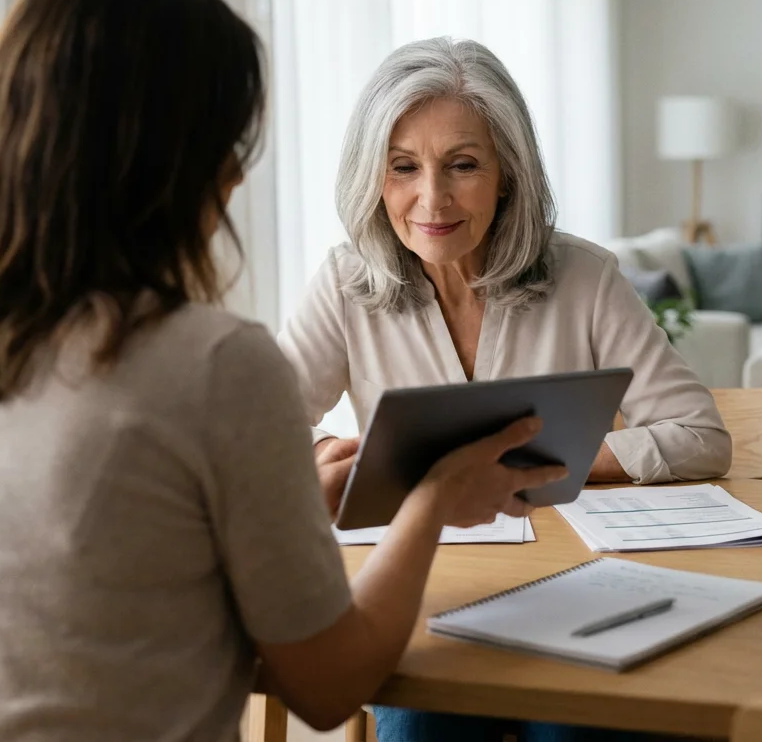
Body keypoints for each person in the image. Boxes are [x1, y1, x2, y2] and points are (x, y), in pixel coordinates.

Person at [0, 0, 566, 741]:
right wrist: (430, 500)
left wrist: (288, 496)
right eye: (227, 145)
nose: (234, 176)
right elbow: (329, 688)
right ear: (161, 162)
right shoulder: (215, 365)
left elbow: (102, 552)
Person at [277, 37, 733, 741]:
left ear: (508, 176)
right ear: (374, 176)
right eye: (404, 167)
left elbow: (701, 437)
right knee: (424, 721)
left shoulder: (585, 276)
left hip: (575, 588)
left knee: (573, 727)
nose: (432, 199)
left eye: (463, 165)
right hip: (426, 593)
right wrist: (336, 463)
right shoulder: (345, 283)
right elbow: (262, 439)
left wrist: (545, 465)